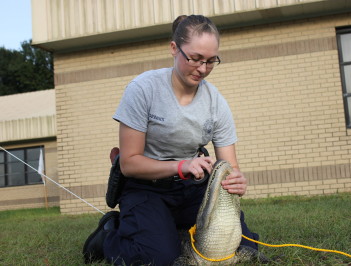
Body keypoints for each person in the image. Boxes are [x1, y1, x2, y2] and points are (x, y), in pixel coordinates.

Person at [83, 14, 262, 265]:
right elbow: (129, 163)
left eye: (211, 61)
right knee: (160, 259)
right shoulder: (143, 89)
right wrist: (181, 165)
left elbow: (229, 166)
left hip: (192, 189)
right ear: (173, 48)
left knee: (243, 247)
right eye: (196, 58)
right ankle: (110, 235)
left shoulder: (215, 101)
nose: (202, 69)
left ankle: (171, 231)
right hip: (145, 188)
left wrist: (235, 181)